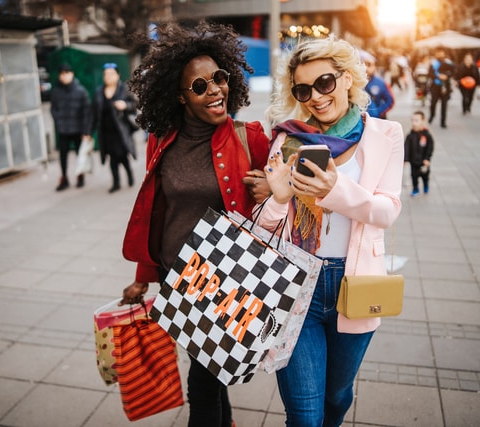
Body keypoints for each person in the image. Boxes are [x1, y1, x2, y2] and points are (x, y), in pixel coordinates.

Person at [118, 21, 270, 427]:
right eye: (200, 86)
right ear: (181, 98)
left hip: (223, 280)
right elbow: (159, 212)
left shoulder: (248, 138)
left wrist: (271, 189)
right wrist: (143, 276)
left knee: (202, 382)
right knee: (211, 372)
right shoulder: (162, 140)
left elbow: (285, 191)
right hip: (174, 275)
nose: (216, 90)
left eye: (219, 78)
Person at [258, 35, 404, 426]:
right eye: (303, 89)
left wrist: (334, 191)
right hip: (295, 283)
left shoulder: (386, 135)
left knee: (336, 398)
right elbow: (263, 227)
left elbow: (387, 210)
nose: (315, 97)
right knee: (305, 416)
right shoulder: (287, 139)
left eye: (324, 83)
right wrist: (276, 198)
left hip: (354, 285)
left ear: (346, 78)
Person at [92, 63, 138, 193]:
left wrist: (125, 105)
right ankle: (116, 182)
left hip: (121, 131)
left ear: (117, 75)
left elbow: (135, 104)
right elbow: (94, 112)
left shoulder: (124, 89)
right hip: (106, 132)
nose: (108, 77)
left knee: (122, 156)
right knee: (112, 157)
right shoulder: (99, 92)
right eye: (106, 74)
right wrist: (89, 131)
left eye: (112, 74)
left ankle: (129, 174)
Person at [50, 63, 93, 191]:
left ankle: (80, 175)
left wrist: (86, 130)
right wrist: (58, 120)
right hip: (63, 129)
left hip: (78, 129)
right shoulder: (56, 92)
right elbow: (53, 109)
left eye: (67, 73)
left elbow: (87, 112)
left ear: (72, 74)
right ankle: (64, 177)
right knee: (63, 154)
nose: (65, 76)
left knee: (80, 154)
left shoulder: (81, 91)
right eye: (62, 74)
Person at [404, 111, 434, 197]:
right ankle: (415, 188)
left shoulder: (427, 135)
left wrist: (427, 158)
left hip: (424, 162)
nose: (414, 123)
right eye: (412, 120)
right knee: (414, 177)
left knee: (425, 176)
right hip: (414, 162)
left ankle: (425, 184)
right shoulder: (410, 136)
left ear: (423, 121)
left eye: (416, 120)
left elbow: (430, 148)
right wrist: (405, 159)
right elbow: (406, 148)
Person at [427, 48, 455, 128]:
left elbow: (453, 72)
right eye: (438, 53)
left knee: (444, 105)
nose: (440, 54)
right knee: (433, 103)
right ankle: (432, 116)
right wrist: (438, 76)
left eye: (441, 53)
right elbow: (430, 74)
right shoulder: (433, 63)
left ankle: (443, 122)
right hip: (435, 86)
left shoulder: (448, 63)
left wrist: (446, 76)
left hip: (445, 86)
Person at [362, 52, 395, 119]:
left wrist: (378, 112)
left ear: (374, 67)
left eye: (369, 65)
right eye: (364, 64)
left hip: (376, 120)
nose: (366, 68)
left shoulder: (381, 83)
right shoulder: (354, 82)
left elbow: (390, 100)